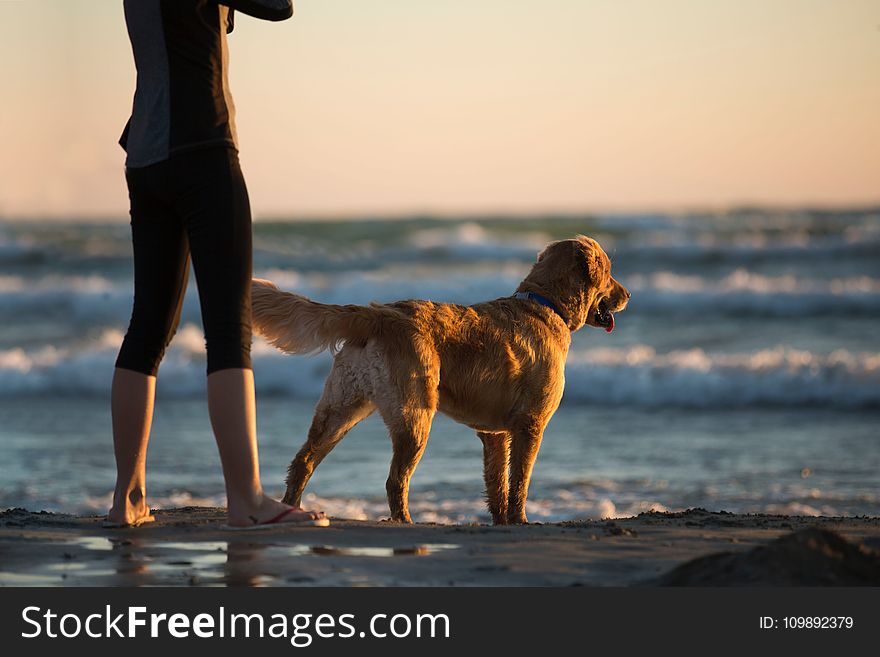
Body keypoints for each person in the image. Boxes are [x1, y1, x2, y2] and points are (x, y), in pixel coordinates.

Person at [106, 0, 327, 529]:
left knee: (148, 327)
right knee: (229, 330)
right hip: (202, 146)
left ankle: (127, 500)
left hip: (145, 155)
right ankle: (247, 500)